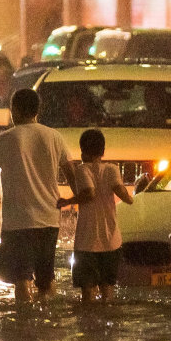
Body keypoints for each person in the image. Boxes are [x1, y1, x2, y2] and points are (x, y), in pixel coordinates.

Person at [0, 88, 76, 303]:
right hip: (49, 220)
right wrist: (81, 200)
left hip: (19, 223)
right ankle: (48, 322)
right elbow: (73, 176)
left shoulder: (7, 139)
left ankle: (24, 325)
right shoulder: (55, 137)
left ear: (14, 110)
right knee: (46, 281)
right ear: (37, 110)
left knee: (21, 281)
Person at [56, 129, 133, 303]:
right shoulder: (112, 169)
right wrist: (134, 195)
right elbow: (125, 197)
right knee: (108, 292)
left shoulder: (82, 170)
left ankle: (89, 326)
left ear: (83, 152)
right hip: (111, 241)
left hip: (87, 242)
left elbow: (89, 193)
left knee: (87, 294)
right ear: (103, 152)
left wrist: (67, 201)